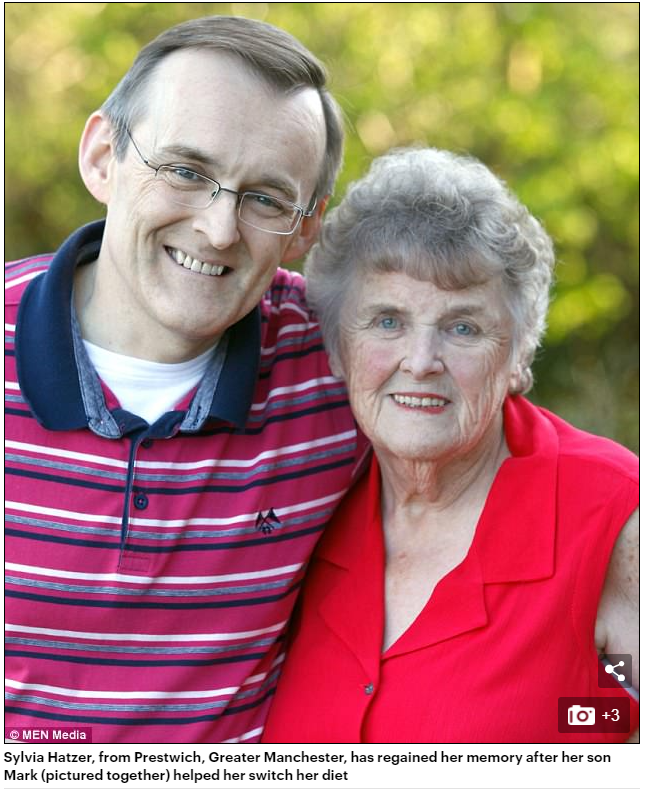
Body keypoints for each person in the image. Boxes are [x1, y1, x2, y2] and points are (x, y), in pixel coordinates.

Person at [5, 15, 368, 743]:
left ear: (304, 228)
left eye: (266, 198)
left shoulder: (345, 365)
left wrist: (607, 556)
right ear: (103, 158)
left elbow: (497, 433)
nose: (219, 229)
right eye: (187, 172)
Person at [261, 147, 639, 743]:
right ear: (338, 348)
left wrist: (602, 721)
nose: (421, 361)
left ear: (518, 355)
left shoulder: (611, 515)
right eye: (388, 321)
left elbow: (620, 707)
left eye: (463, 327)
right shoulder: (305, 510)